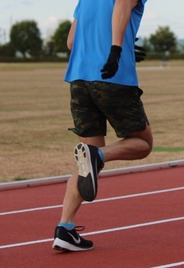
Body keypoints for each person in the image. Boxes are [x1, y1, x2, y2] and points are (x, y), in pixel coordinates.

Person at [52, 0, 152, 252]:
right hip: (113, 76)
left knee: (86, 161)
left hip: (78, 78)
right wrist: (117, 49)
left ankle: (65, 227)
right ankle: (100, 155)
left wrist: (123, 46)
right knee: (142, 144)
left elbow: (71, 41)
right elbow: (121, 4)